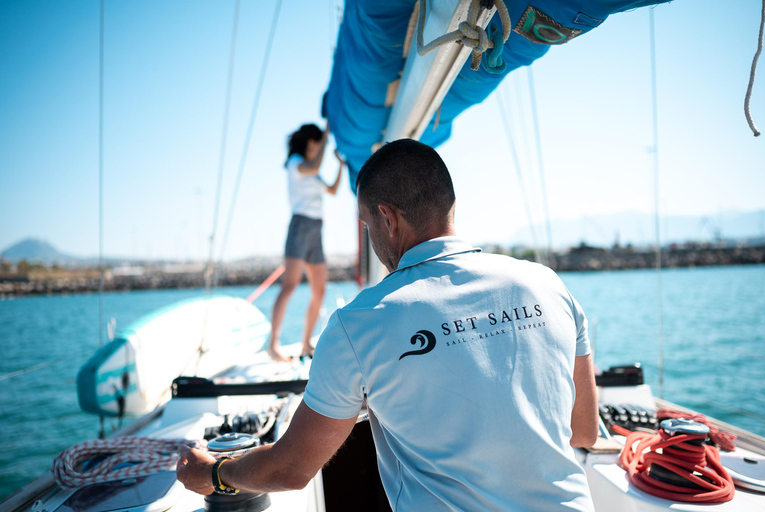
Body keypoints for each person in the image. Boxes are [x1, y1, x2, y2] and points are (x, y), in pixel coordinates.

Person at [177, 139, 598, 511]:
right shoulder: (547, 284)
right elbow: (583, 431)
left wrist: (214, 473)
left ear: (387, 219)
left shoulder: (358, 324)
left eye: (366, 226)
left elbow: (291, 469)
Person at [267, 123, 344, 362]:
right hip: (300, 227)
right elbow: (313, 165)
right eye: (315, 144)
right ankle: (273, 345)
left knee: (319, 289)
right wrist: (327, 134)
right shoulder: (296, 164)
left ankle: (306, 343)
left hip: (316, 229)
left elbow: (332, 190)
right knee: (289, 285)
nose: (317, 149)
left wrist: (340, 164)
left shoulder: (315, 173)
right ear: (307, 144)